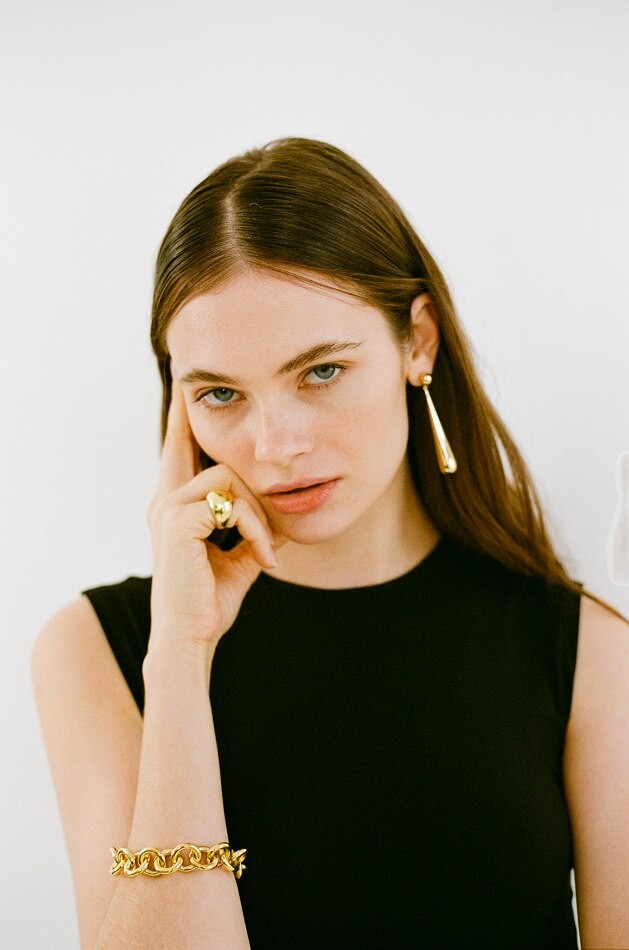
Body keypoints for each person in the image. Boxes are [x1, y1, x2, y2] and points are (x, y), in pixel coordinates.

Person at [32, 137, 629, 950]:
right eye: (220, 393)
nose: (275, 445)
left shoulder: (588, 653)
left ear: (417, 341)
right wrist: (178, 657)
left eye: (320, 372)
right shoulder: (96, 651)